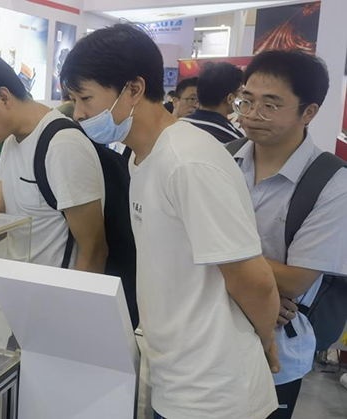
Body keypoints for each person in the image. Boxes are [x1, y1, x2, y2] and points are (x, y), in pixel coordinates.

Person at [60, 23, 279, 419]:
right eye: (74, 100)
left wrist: (263, 340)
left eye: (85, 98)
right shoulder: (141, 158)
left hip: (216, 395)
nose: (78, 113)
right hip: (174, 379)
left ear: (134, 89)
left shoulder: (188, 161)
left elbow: (253, 279)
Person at [231, 50, 347, 419]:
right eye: (246, 100)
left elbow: (296, 280)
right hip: (205, 335)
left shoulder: (332, 182)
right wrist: (258, 285)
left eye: (270, 105)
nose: (252, 114)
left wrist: (211, 256)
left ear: (308, 112)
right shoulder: (221, 159)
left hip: (277, 353)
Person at [0, 55, 108, 274]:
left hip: (55, 291)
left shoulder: (63, 145)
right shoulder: (10, 143)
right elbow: (1, 228)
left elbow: (94, 251)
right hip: (20, 287)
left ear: (3, 97)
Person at [180, 62, 245, 143]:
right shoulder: (233, 140)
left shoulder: (177, 126)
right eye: (240, 91)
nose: (242, 96)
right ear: (230, 98)